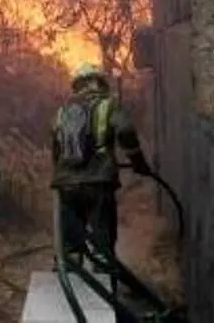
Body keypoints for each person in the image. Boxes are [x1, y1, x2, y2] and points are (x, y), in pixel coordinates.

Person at [50, 63, 153, 273]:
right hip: (99, 181)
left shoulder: (62, 111)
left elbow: (56, 148)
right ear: (99, 82)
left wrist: (63, 175)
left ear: (77, 85)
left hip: (67, 184)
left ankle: (69, 270)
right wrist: (138, 163)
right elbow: (126, 131)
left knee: (70, 243)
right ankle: (103, 272)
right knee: (101, 237)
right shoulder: (108, 105)